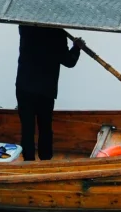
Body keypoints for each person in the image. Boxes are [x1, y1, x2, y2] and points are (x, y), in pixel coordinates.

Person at [15, 24, 82, 161]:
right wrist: (76, 47)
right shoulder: (57, 33)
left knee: (27, 128)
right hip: (45, 90)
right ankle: (46, 159)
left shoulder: (25, 27)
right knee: (45, 127)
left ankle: (28, 160)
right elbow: (68, 61)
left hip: (24, 86)